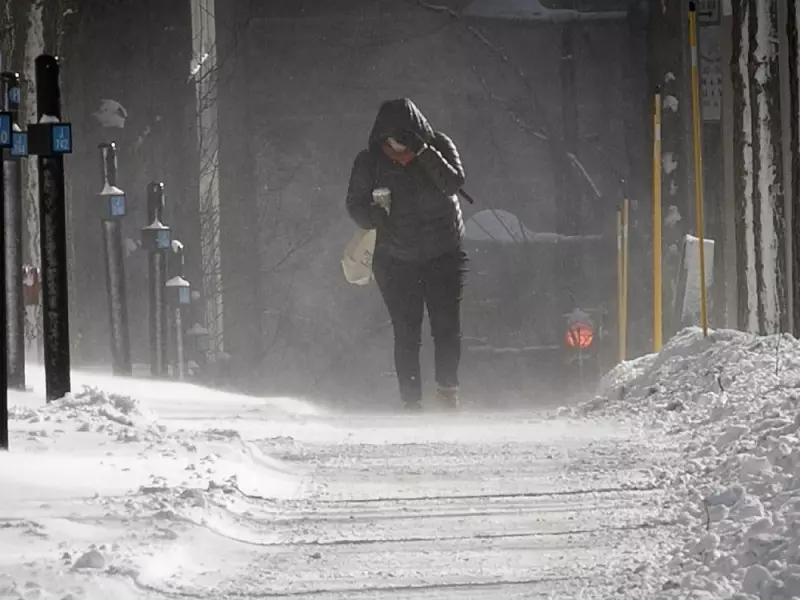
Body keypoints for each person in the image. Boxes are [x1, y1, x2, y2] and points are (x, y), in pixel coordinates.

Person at [346, 98, 467, 411]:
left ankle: (447, 393)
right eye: (389, 143)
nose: (396, 151)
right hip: (395, 258)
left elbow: (453, 183)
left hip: (444, 252)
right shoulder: (369, 161)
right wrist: (374, 216)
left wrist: (424, 153)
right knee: (406, 330)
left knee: (446, 326)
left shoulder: (438, 145)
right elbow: (354, 205)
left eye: (402, 141)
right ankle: (411, 402)